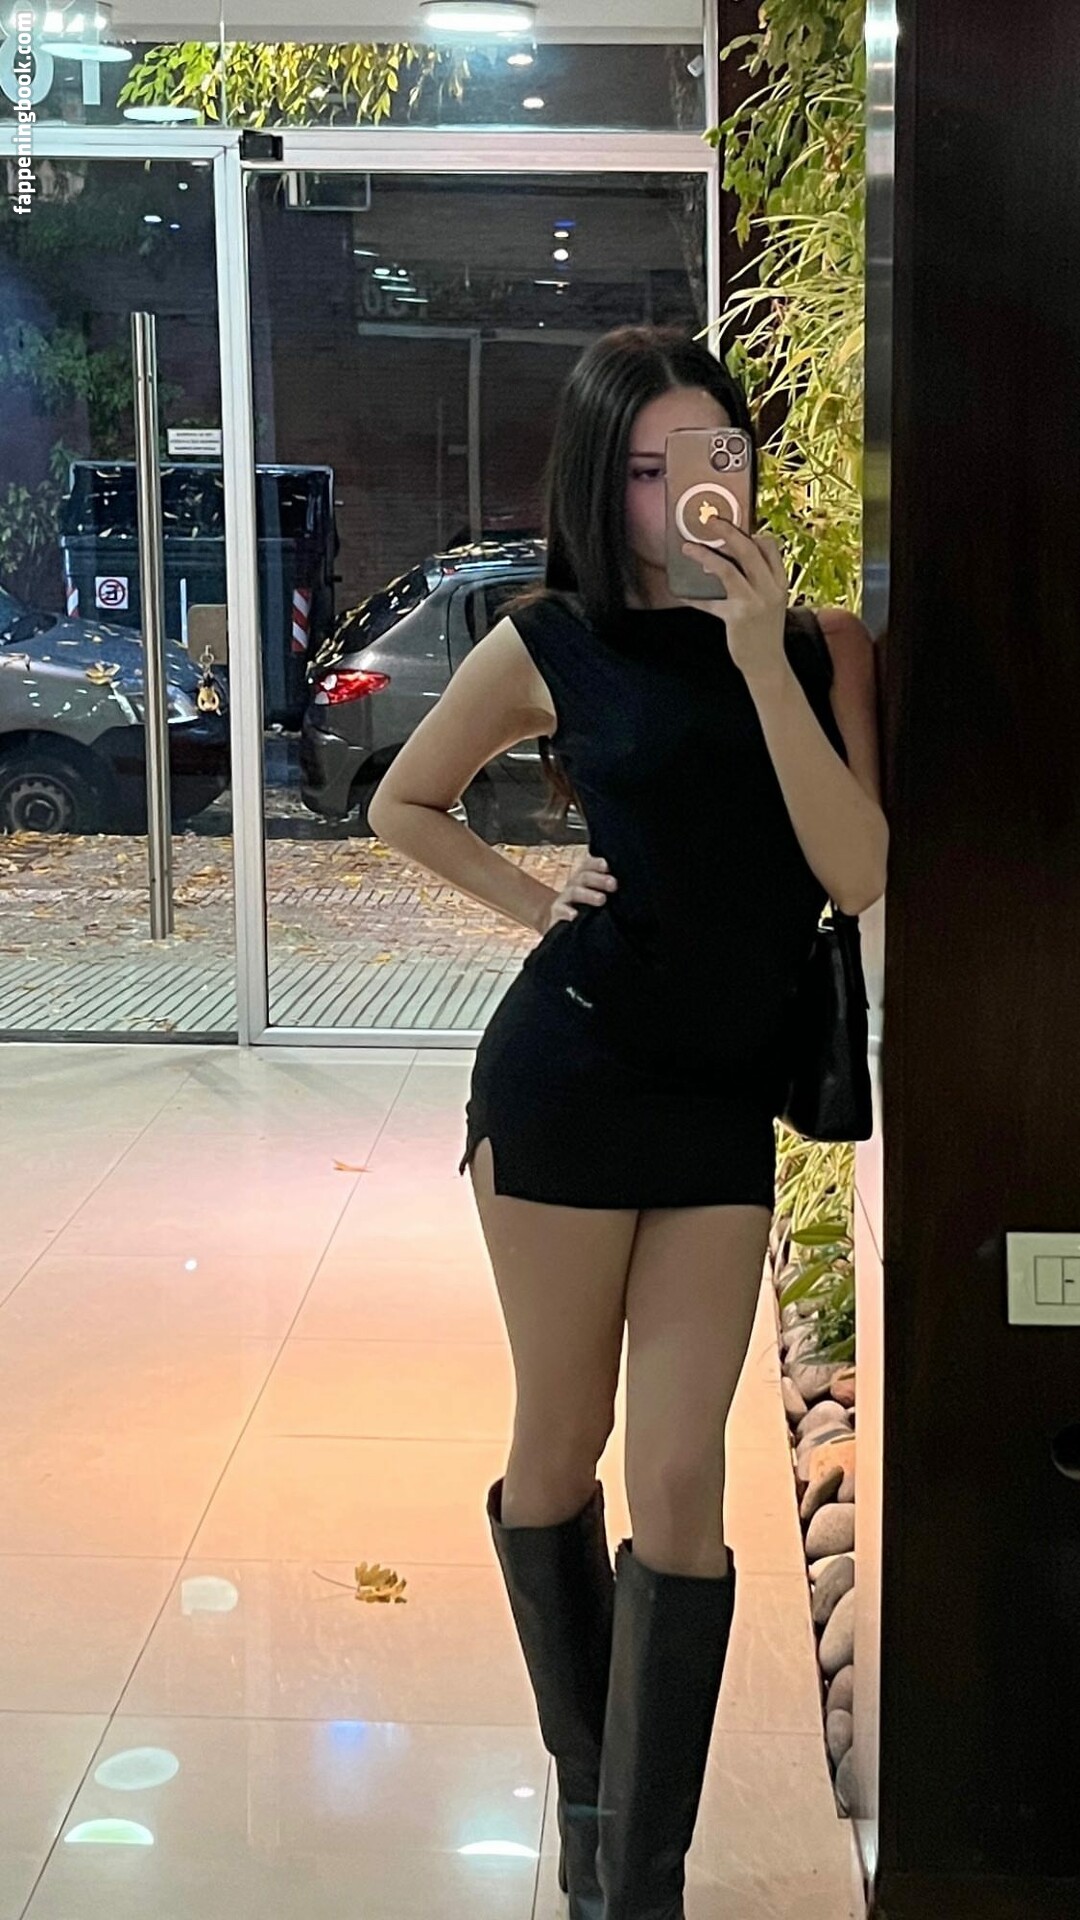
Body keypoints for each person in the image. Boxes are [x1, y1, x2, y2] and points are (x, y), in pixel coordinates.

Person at [367, 325, 887, 1919]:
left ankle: (634, 1879)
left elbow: (857, 869)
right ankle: (596, 1825)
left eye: (712, 458)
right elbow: (401, 799)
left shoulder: (824, 645)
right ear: (605, 486)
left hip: (718, 1107)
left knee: (679, 1478)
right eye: (649, 471)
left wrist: (760, 658)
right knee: (559, 1442)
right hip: (568, 1083)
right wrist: (538, 903)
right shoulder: (550, 640)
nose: (686, 499)